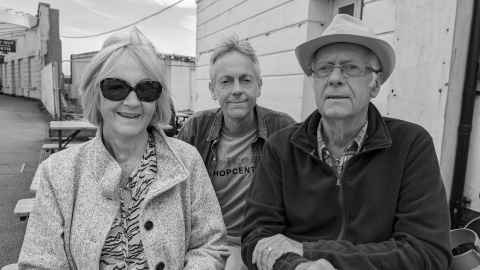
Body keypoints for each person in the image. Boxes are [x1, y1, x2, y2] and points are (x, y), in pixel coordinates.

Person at [241, 14, 451, 270]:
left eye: (350, 68)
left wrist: (314, 253)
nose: (335, 78)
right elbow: (257, 238)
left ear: (374, 85)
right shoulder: (281, 147)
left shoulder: (411, 145)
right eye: (324, 68)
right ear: (314, 81)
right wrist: (297, 265)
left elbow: (428, 252)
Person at [18, 28, 228, 270]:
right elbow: (39, 263)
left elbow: (211, 245)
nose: (131, 102)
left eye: (146, 89)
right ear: (95, 93)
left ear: (158, 98)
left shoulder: (187, 161)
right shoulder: (57, 172)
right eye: (116, 87)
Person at [177, 36, 295, 269]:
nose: (237, 90)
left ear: (259, 86)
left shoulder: (284, 129)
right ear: (212, 89)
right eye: (226, 81)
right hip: (210, 244)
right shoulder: (195, 129)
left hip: (266, 242)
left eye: (246, 80)